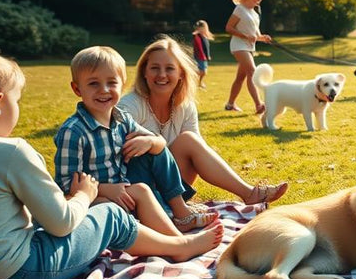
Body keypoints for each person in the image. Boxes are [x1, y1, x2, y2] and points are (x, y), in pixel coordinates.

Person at [0, 45, 222, 279]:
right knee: (111, 217)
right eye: (17, 99)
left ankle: (176, 231)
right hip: (12, 278)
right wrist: (84, 195)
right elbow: (61, 223)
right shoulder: (12, 152)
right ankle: (179, 247)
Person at [55, 46, 219, 233]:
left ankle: (179, 212)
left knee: (156, 147)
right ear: (77, 88)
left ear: (122, 84)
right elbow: (66, 184)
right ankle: (179, 243)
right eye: (93, 84)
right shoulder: (73, 131)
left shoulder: (122, 118)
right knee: (140, 190)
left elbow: (159, 144)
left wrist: (151, 142)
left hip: (126, 187)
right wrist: (105, 189)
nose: (104, 90)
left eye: (111, 83)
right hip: (97, 198)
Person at [118, 37, 288, 205]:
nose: (162, 75)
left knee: (189, 140)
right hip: (138, 191)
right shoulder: (129, 105)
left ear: (181, 75)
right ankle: (250, 193)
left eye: (169, 68)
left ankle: (248, 193)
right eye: (154, 68)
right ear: (144, 73)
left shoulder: (185, 106)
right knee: (188, 140)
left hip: (174, 190)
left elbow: (197, 153)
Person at [224, 0, 272, 114]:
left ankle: (230, 104)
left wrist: (263, 38)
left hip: (249, 47)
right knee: (252, 72)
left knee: (240, 77)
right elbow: (228, 28)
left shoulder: (254, 14)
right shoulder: (240, 9)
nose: (257, 2)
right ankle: (259, 105)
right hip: (238, 46)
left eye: (259, 0)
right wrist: (245, 36)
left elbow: (255, 36)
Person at [192, 20, 213, 89]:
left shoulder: (204, 37)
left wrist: (208, 55)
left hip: (204, 57)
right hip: (200, 56)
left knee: (204, 72)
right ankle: (197, 82)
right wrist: (202, 56)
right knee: (203, 71)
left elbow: (206, 48)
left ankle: (199, 83)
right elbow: (199, 47)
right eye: (199, 27)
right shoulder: (197, 36)